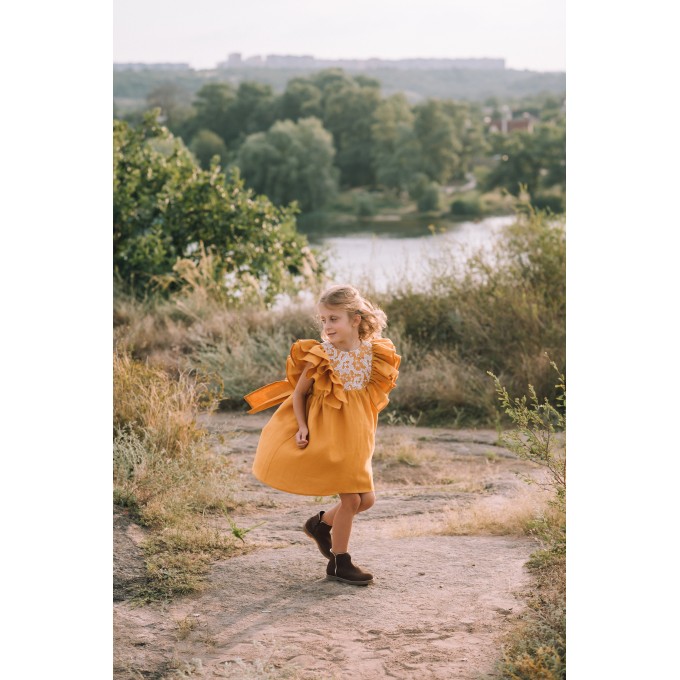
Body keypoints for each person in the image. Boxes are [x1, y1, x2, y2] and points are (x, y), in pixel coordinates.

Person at [243, 284, 401, 586]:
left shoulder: (373, 352)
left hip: (358, 435)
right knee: (352, 500)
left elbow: (370, 398)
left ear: (355, 319)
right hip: (328, 434)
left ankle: (319, 524)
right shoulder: (322, 354)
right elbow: (299, 394)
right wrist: (302, 427)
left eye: (333, 319)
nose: (327, 326)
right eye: (323, 320)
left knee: (366, 500)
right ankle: (340, 563)